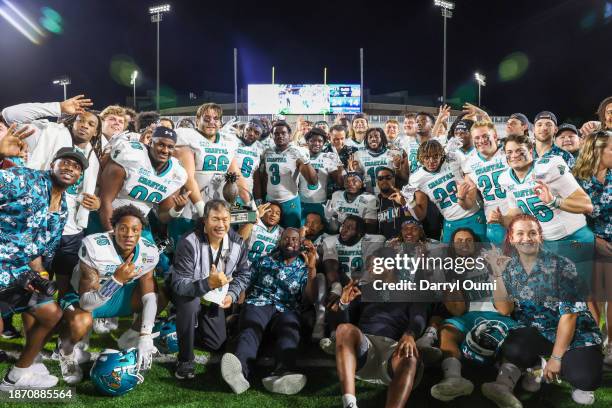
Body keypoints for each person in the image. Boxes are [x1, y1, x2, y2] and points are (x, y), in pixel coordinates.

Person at [482, 214, 603, 407]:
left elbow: (569, 315)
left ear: (540, 237)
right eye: (520, 233)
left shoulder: (562, 265)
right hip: (538, 331)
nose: (526, 238)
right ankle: (536, 366)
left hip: (575, 331)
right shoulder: (508, 267)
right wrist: (497, 275)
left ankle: (561, 365)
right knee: (513, 349)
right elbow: (505, 310)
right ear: (511, 239)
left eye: (532, 233)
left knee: (585, 378)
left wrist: (556, 358)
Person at [0, 147, 88, 390]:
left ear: (80, 177)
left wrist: (39, 272)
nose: (71, 167)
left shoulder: (62, 208)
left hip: (19, 272)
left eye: (77, 166)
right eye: (65, 162)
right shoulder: (26, 180)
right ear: (52, 165)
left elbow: (38, 249)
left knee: (51, 314)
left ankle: (17, 376)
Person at [57, 205, 161, 384]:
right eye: (123, 229)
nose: (129, 234)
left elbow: (149, 295)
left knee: (161, 293)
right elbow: (86, 303)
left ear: (141, 232)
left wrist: (145, 334)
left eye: (135, 230)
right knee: (82, 321)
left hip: (119, 294)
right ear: (113, 229)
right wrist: (116, 280)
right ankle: (66, 353)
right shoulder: (95, 245)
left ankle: (132, 337)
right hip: (84, 298)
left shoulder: (149, 251)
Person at [220, 229, 318, 395]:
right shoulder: (264, 260)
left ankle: (283, 373)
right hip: (259, 303)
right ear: (279, 241)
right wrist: (239, 306)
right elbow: (246, 281)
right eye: (286, 238)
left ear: (300, 243)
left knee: (289, 331)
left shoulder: (304, 267)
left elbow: (309, 298)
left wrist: (311, 268)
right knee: (250, 330)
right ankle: (239, 374)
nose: (290, 242)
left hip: (288, 308)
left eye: (294, 239)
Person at [330, 247, 427, 408]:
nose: (368, 268)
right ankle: (349, 403)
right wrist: (344, 304)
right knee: (344, 329)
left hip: (393, 350)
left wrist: (410, 334)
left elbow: (419, 316)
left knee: (409, 355)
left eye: (372, 263)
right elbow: (344, 326)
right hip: (366, 348)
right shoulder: (364, 290)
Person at [430, 228, 518, 402]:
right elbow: (458, 311)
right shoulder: (449, 268)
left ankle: (503, 387)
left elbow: (505, 309)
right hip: (468, 315)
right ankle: (453, 379)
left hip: (497, 314)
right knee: (447, 331)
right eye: (459, 241)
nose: (464, 244)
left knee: (514, 339)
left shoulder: (492, 261)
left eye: (468, 240)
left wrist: (496, 271)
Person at [169, 200, 251, 380]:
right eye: (215, 219)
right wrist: (207, 284)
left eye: (225, 219)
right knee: (190, 305)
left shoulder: (238, 242)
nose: (221, 225)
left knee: (215, 344)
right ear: (205, 220)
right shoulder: (189, 241)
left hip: (214, 297)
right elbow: (178, 284)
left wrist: (232, 293)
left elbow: (244, 274)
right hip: (188, 294)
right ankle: (185, 360)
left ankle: (180, 325)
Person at [494, 134, 593, 252]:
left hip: (573, 238)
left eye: (519, 151)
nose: (514, 155)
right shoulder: (506, 179)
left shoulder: (549, 167)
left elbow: (586, 205)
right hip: (545, 243)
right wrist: (501, 219)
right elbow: (515, 213)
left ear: (531, 151)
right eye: (509, 152)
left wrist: (553, 201)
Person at [172, 103, 249, 230]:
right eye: (206, 118)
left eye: (216, 119)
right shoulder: (188, 137)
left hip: (218, 209)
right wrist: (203, 212)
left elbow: (238, 177)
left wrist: (249, 204)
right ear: (197, 120)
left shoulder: (228, 142)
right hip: (191, 210)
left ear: (220, 123)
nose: (211, 122)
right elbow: (188, 178)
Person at [97, 126, 188, 233]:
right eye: (160, 144)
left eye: (170, 147)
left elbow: (163, 216)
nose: (165, 150)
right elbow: (105, 200)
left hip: (137, 224)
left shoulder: (177, 174)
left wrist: (177, 209)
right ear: (150, 142)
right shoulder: (130, 155)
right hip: (105, 216)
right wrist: (112, 233)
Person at [573, 130, 612, 363]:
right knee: (593, 296)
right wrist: (594, 241)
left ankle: (611, 345)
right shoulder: (576, 179)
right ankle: (598, 339)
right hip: (587, 243)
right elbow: (569, 217)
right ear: (597, 150)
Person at [405, 140, 486, 243]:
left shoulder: (452, 159)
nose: (431, 161)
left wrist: (457, 153)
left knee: (482, 253)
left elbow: (472, 172)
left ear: (441, 155)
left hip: (473, 215)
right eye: (426, 157)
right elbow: (419, 216)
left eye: (435, 156)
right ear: (421, 158)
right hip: (450, 221)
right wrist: (410, 202)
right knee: (449, 257)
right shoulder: (417, 178)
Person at [255, 120, 317, 228]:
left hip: (290, 201)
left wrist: (306, 161)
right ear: (272, 135)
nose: (280, 136)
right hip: (271, 201)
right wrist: (260, 198)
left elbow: (313, 181)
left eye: (283, 133)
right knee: (269, 235)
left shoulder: (296, 152)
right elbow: (264, 177)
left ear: (289, 134)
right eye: (276, 133)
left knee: (292, 233)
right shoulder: (267, 152)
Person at [459, 121, 509, 244]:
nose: (481, 140)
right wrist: (461, 198)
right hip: (494, 220)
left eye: (485, 136)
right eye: (477, 137)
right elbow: (468, 204)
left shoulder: (509, 152)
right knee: (501, 260)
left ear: (495, 136)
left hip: (519, 216)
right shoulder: (469, 163)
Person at [298, 127, 343, 222]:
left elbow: (339, 182)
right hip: (302, 202)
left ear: (324, 143)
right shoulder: (300, 156)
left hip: (321, 202)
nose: (316, 143)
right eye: (313, 140)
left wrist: (338, 163)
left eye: (320, 141)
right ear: (307, 142)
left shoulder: (328, 157)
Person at [353, 128, 407, 194]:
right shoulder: (359, 155)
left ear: (382, 138)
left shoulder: (394, 153)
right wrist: (357, 170)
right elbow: (358, 179)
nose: (373, 139)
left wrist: (397, 166)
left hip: (389, 194)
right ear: (366, 140)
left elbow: (403, 178)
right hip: (368, 195)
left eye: (376, 136)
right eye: (370, 137)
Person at [375, 167, 414, 239]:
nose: (384, 180)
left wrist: (404, 203)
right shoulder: (375, 201)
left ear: (394, 179)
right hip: (383, 245)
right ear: (377, 182)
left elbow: (412, 220)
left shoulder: (404, 195)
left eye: (388, 177)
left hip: (404, 242)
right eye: (380, 178)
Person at [235, 119, 265, 194]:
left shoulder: (260, 148)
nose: (251, 133)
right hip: (230, 189)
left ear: (259, 137)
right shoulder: (232, 141)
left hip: (247, 191)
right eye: (248, 129)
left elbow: (256, 175)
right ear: (244, 129)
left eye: (256, 132)